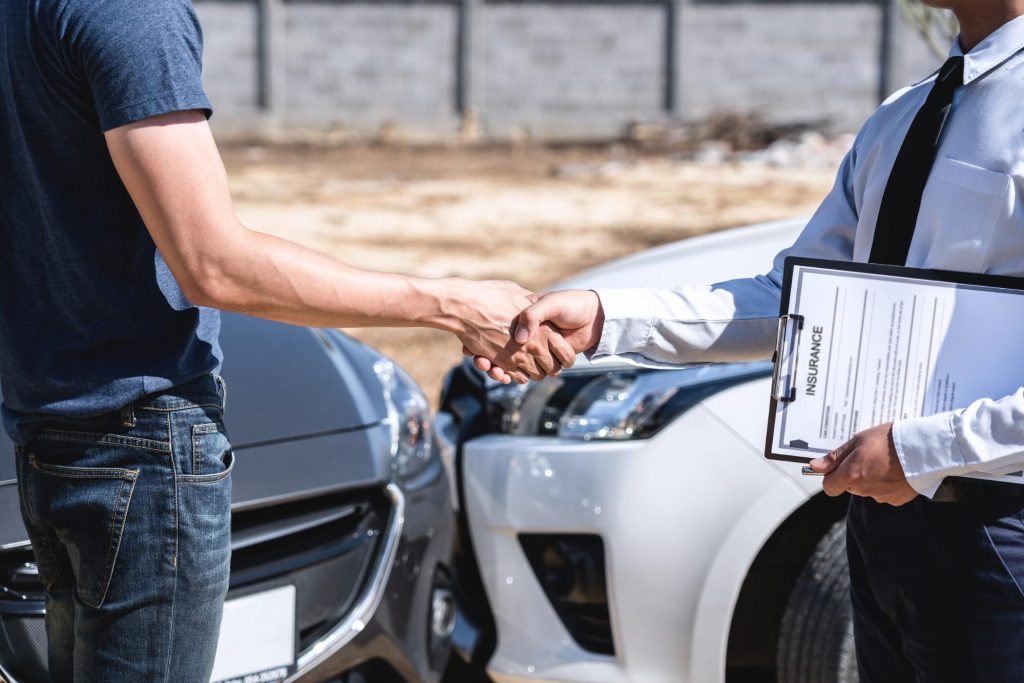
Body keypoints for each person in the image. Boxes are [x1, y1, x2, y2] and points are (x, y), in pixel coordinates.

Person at [0, 0, 567, 680]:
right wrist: (450, 303)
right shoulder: (131, 14)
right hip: (141, 447)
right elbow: (213, 265)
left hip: (49, 430)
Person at [492, 1, 1024, 680]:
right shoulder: (905, 114)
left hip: (999, 530)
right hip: (883, 527)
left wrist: (917, 450)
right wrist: (604, 318)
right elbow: (791, 303)